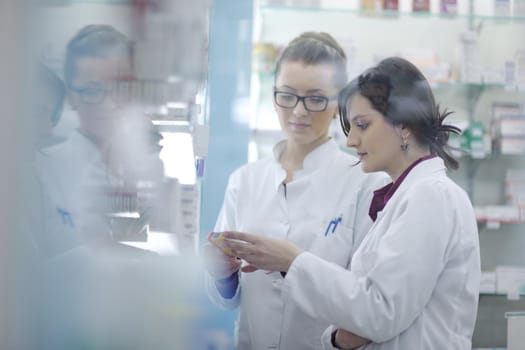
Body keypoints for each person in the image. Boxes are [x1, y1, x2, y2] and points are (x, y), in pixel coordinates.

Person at [221, 57, 481, 350]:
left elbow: (379, 313)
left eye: (362, 125)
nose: (352, 141)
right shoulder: (406, 195)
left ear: (404, 125)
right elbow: (367, 306)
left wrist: (293, 261)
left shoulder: (431, 195)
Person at [202, 32, 388, 350]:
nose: (298, 112)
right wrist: (223, 275)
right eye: (286, 96)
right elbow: (227, 298)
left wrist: (293, 263)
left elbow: (368, 299)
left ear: (338, 104)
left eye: (315, 99)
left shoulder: (365, 183)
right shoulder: (244, 180)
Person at [36, 24, 164, 253]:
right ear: (71, 97)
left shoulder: (150, 168)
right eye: (92, 92)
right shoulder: (43, 172)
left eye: (120, 89)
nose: (110, 104)